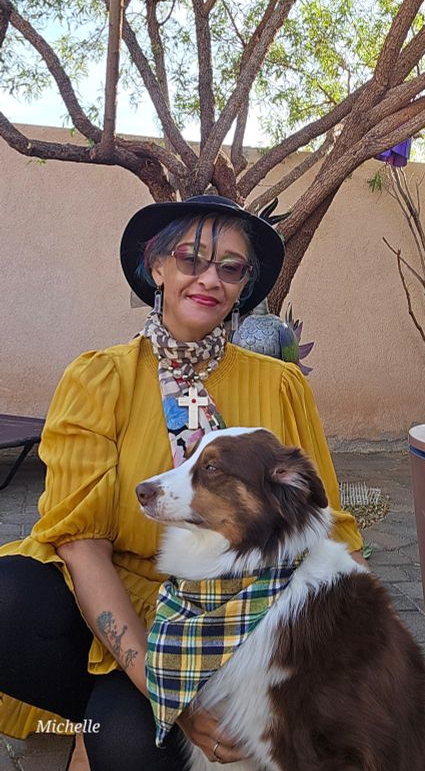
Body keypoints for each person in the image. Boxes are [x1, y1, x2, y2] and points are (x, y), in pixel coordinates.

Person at [0, 195, 363, 771]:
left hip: (243, 620)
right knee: (8, 597)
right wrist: (172, 693)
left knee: (126, 749)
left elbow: (329, 526)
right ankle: (93, 715)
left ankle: (105, 726)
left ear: (244, 285)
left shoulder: (281, 386)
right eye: (191, 258)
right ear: (157, 268)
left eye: (230, 267)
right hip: (126, 605)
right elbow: (82, 543)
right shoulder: (101, 378)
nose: (209, 278)